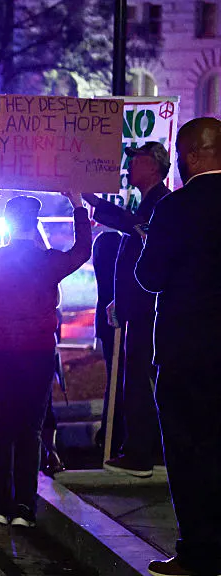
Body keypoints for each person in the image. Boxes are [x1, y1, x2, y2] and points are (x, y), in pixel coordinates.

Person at [0, 189, 91, 528]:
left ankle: (1, 504)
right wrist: (77, 205)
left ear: (6, 224)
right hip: (37, 352)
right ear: (33, 223)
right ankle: (24, 506)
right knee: (30, 431)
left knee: (1, 430)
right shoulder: (48, 260)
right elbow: (82, 251)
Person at [135, 117, 221, 576]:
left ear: (190, 156)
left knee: (188, 453)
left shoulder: (176, 209)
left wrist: (152, 244)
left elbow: (149, 278)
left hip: (186, 352)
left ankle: (198, 551)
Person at [84, 142, 171, 477]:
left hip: (148, 309)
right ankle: (139, 447)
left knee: (138, 377)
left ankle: (140, 452)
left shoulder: (160, 203)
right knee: (133, 377)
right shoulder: (148, 203)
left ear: (153, 166)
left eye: (136, 161)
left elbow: (140, 232)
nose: (130, 167)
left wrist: (91, 201)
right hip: (136, 305)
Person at [91, 228, 124, 457]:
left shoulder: (102, 245)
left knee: (114, 379)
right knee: (118, 380)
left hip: (106, 324)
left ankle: (109, 433)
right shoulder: (115, 246)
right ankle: (112, 434)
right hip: (116, 322)